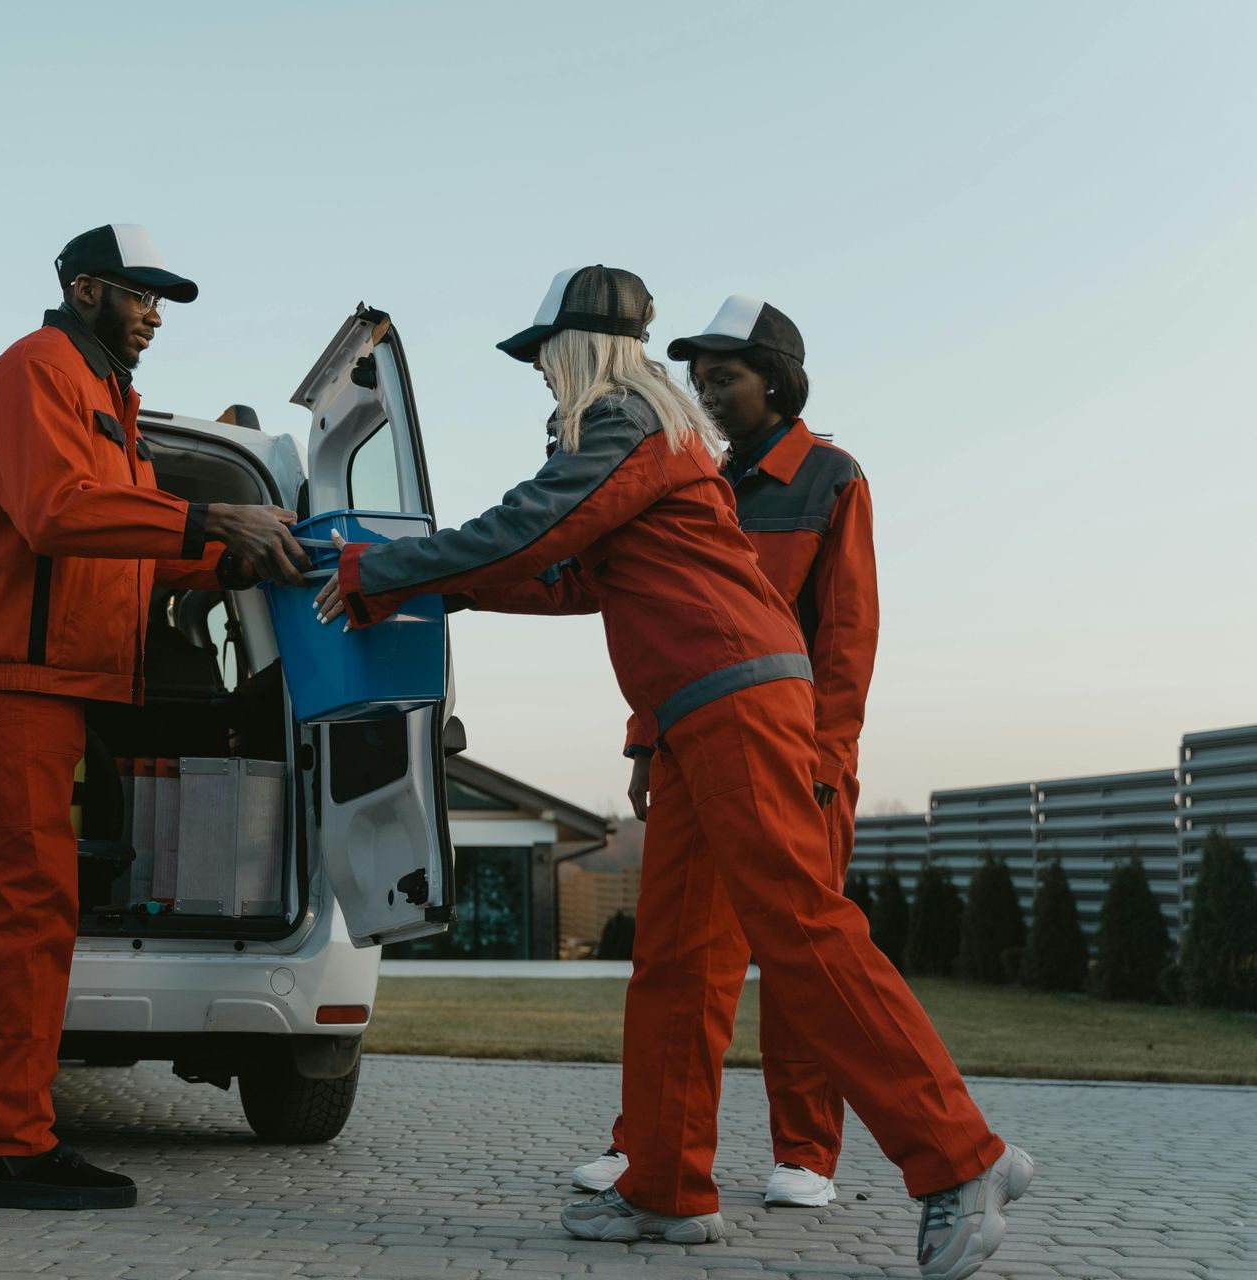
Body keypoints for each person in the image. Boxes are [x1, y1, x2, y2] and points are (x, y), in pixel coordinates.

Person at [312, 266, 1030, 1279]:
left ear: (578, 350)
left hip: (739, 700)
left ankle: (965, 1157)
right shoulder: (654, 441)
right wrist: (416, 590)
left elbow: (531, 523)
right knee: (678, 964)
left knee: (800, 928)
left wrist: (373, 571)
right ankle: (665, 1188)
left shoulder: (624, 422)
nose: (540, 380)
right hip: (693, 716)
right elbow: (560, 573)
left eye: (542, 358)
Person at [0, 224, 308, 1211]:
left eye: (164, 301)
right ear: (87, 285)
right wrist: (210, 519)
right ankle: (13, 1142)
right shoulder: (36, 373)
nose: (154, 314)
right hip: (20, 678)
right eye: (142, 295)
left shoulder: (109, 401)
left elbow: (129, 541)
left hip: (52, 679)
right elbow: (57, 511)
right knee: (31, 900)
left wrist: (224, 558)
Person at [573, 296, 878, 1211]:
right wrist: (643, 747)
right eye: (698, 377)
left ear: (778, 380)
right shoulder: (691, 471)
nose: (706, 390)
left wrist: (824, 761)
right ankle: (651, 1153)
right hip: (694, 745)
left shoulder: (832, 478)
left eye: (726, 375)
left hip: (799, 754)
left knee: (798, 957)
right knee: (683, 962)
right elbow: (657, 620)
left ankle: (807, 1153)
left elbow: (848, 640)